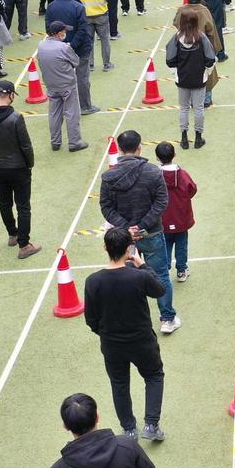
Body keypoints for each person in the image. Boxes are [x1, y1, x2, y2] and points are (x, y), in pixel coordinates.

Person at [84, 227, 167, 440]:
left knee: (119, 383)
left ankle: (129, 429)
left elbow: (90, 319)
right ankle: (151, 425)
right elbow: (160, 290)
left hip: (112, 344)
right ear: (129, 249)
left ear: (105, 248)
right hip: (142, 341)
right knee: (154, 376)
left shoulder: (93, 281)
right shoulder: (138, 277)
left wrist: (105, 333)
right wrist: (143, 265)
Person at [99, 130, 178, 334]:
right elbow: (162, 202)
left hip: (123, 239)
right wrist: (141, 225)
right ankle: (167, 319)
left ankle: (131, 320)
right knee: (160, 275)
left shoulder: (109, 176)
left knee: (124, 278)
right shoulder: (153, 172)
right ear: (139, 147)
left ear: (120, 149)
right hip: (151, 233)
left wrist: (126, 227)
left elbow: (106, 207)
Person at [0, 80, 41, 258]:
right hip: (18, 168)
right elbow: (26, 146)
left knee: (4, 203)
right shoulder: (15, 118)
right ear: (11, 95)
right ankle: (24, 245)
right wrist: (29, 163)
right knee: (23, 207)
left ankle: (12, 234)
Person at [46, 0, 100, 115]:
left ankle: (65, 107)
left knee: (62, 79)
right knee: (82, 78)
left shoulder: (52, 6)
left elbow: (48, 27)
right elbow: (83, 29)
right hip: (79, 49)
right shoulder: (78, 6)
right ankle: (85, 106)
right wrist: (72, 46)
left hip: (58, 49)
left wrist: (61, 44)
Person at [165, 9, 216, 150]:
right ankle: (198, 138)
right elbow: (210, 58)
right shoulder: (202, 37)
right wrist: (207, 70)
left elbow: (170, 59)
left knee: (184, 108)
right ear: (196, 21)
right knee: (199, 108)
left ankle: (184, 138)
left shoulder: (176, 38)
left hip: (182, 79)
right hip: (199, 79)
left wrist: (176, 71)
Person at [36, 21, 87, 153]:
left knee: (54, 114)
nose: (66, 33)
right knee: (72, 113)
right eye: (64, 31)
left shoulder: (41, 45)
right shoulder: (64, 48)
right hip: (67, 85)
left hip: (51, 85)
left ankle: (55, 142)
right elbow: (76, 61)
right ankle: (74, 142)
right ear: (59, 34)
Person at [173, 0, 223, 104]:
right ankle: (206, 98)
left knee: (187, 71)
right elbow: (212, 32)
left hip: (184, 47)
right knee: (207, 73)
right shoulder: (204, 11)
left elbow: (176, 23)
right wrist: (215, 49)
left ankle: (191, 99)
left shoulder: (182, 10)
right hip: (202, 48)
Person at [156, 142, 196, 284]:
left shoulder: (155, 175)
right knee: (181, 245)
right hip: (181, 219)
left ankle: (164, 269)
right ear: (174, 155)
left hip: (163, 219)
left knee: (165, 244)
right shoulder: (182, 174)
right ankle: (181, 270)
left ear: (157, 158)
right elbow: (192, 189)